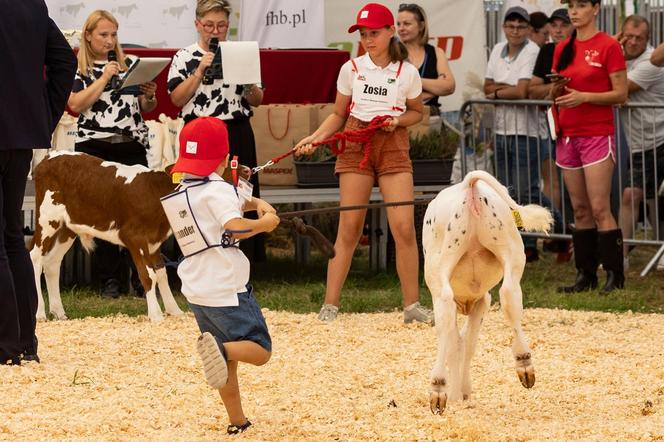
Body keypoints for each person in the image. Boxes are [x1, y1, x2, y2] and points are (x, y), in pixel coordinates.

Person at [295, 3, 432, 324]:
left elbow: (417, 112)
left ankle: (411, 306)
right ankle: (330, 305)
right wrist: (314, 138)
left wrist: (397, 121)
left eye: (374, 33)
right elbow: (338, 114)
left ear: (390, 32)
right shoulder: (352, 68)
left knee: (403, 228)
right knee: (349, 227)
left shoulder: (407, 71)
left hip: (392, 144)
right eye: (363, 34)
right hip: (356, 141)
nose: (368, 40)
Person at [166, 117, 279, 435]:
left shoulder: (183, 188)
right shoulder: (219, 191)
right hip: (227, 287)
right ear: (223, 156)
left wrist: (254, 202)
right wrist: (263, 224)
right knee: (258, 348)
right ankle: (222, 350)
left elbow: (229, 202)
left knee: (223, 359)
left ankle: (237, 421)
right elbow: (232, 225)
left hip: (197, 289)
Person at [0, 0, 76, 364]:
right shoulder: (32, 4)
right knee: (12, 235)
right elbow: (65, 61)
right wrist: (42, 117)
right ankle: (24, 342)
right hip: (19, 135)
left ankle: (6, 345)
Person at [168, 0, 266, 263]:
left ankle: (244, 257)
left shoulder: (241, 52)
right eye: (209, 25)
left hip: (235, 130)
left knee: (239, 191)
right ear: (197, 24)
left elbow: (257, 98)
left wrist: (245, 80)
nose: (215, 30)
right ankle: (193, 255)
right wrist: (200, 70)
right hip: (199, 134)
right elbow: (176, 98)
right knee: (195, 193)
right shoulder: (184, 56)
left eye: (221, 25)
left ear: (228, 27)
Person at [68, 10, 158, 298]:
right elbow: (76, 105)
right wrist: (104, 77)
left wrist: (150, 95)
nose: (109, 40)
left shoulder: (129, 64)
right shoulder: (80, 69)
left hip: (130, 143)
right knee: (104, 212)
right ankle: (110, 280)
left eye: (113, 34)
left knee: (137, 212)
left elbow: (144, 108)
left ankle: (140, 277)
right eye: (103, 35)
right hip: (95, 144)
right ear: (89, 36)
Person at [549, 0, 628, 293]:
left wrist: (584, 96)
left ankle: (614, 275)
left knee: (599, 207)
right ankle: (585, 275)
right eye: (571, 5)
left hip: (597, 133)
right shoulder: (561, 47)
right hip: (568, 133)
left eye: (581, 5)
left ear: (595, 9)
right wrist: (556, 89)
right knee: (579, 208)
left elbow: (620, 94)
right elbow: (555, 90)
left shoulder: (608, 45)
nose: (574, 11)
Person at [484, 6, 547, 262]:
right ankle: (520, 237)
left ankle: (531, 242)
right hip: (501, 129)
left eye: (521, 26)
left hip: (526, 131)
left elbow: (521, 91)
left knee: (526, 189)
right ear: (504, 27)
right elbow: (485, 85)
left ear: (527, 29)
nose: (515, 31)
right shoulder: (497, 49)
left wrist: (497, 92)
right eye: (511, 26)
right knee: (506, 191)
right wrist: (504, 89)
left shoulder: (532, 50)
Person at [616, 16, 664, 270]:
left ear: (648, 40)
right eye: (628, 36)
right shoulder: (618, 57)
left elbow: (620, 88)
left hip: (660, 138)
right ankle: (621, 256)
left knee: (647, 198)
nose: (633, 42)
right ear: (621, 35)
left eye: (639, 38)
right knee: (640, 197)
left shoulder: (650, 62)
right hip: (638, 143)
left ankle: (625, 254)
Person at [528, 8, 574, 261]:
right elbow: (532, 89)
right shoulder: (546, 51)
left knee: (577, 190)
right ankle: (557, 237)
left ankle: (572, 238)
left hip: (581, 126)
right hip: (551, 125)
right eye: (553, 25)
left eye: (562, 24)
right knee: (548, 184)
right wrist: (555, 88)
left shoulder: (579, 49)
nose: (557, 29)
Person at [396, 3, 455, 114]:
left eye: (406, 24)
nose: (401, 28)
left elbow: (449, 87)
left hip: (430, 119)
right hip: (400, 120)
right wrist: (434, 90)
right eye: (398, 24)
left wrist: (413, 80)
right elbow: (393, 94)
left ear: (421, 26)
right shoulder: (392, 53)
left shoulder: (437, 52)